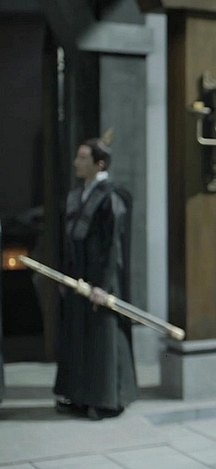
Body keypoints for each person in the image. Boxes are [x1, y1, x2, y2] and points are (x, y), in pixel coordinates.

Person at [54, 136, 138, 420]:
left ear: (99, 163)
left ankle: (108, 400)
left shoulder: (111, 195)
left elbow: (113, 244)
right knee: (78, 335)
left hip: (102, 277)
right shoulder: (78, 194)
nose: (76, 162)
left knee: (103, 338)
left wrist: (103, 285)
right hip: (78, 276)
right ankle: (79, 397)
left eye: (82, 158)